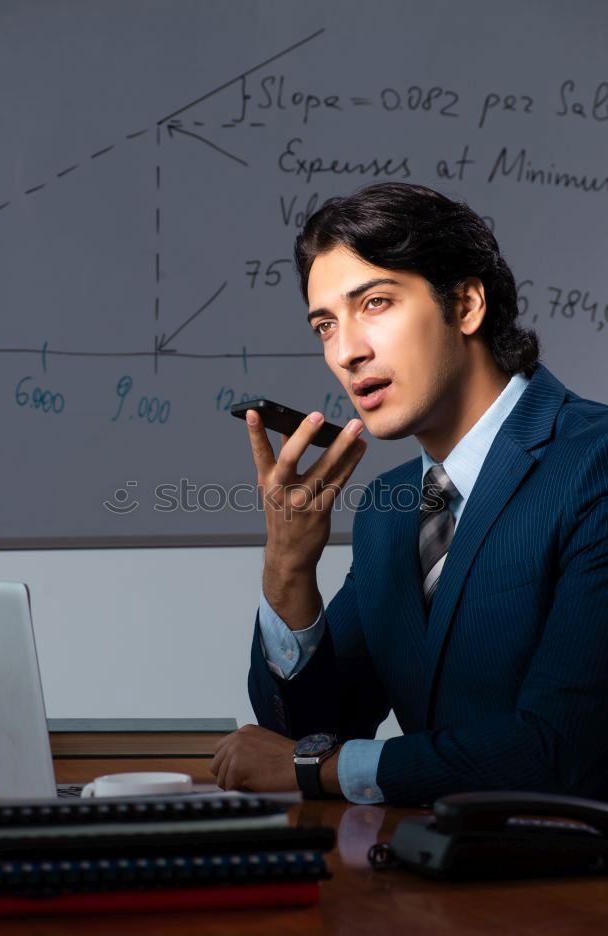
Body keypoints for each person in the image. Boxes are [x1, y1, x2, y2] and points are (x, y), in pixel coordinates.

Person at [210, 182, 608, 804]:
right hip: (430, 877)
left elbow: (561, 753)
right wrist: (287, 568)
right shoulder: (390, 510)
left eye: (375, 303)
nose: (347, 352)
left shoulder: (594, 462)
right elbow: (306, 736)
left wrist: (322, 769)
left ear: (468, 303)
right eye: (325, 326)